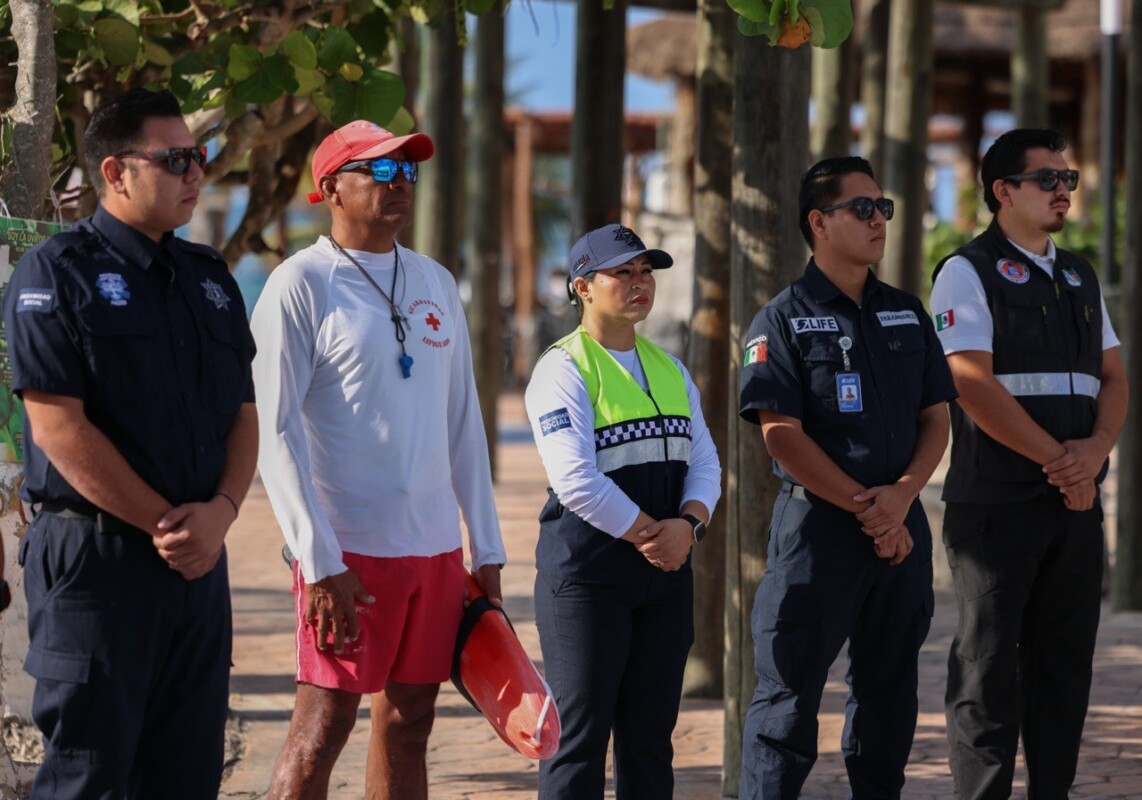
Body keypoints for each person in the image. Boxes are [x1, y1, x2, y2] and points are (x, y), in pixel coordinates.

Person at [1, 88, 258, 799]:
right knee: (91, 778)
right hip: (99, 563)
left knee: (186, 774)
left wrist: (223, 513)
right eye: (175, 158)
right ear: (115, 173)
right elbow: (59, 427)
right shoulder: (55, 273)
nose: (194, 172)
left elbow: (241, 415)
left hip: (199, 563)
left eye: (198, 156)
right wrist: (167, 525)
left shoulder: (208, 280)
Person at [250, 119, 507, 800]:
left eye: (408, 172)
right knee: (322, 726)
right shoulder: (299, 285)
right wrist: (318, 555)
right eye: (381, 171)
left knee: (410, 722)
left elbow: (463, 424)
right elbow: (271, 431)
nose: (401, 186)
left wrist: (484, 545)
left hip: (432, 553)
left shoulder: (436, 281)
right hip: (346, 555)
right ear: (331, 186)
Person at [738, 157, 958, 799]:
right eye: (861, 208)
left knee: (889, 699)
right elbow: (780, 435)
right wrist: (871, 510)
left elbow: (936, 417)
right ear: (819, 222)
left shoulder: (906, 312)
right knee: (787, 701)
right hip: (819, 533)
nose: (877, 220)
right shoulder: (779, 319)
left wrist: (904, 497)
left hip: (902, 526)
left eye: (882, 208)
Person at [930, 128, 1127, 800]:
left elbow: (1114, 375)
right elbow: (970, 382)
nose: (1063, 191)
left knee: (1064, 669)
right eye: (1048, 179)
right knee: (986, 669)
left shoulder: (1079, 272)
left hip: (1074, 506)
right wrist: (1061, 462)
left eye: (1067, 179)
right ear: (1003, 191)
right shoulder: (966, 270)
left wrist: (1095, 454)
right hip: (997, 504)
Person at [524, 223, 722, 799]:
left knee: (649, 741)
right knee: (577, 741)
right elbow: (574, 480)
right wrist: (651, 535)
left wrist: (689, 527)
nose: (639, 283)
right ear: (582, 286)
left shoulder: (671, 368)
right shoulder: (561, 368)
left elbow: (706, 462)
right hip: (588, 580)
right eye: (622, 273)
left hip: (664, 580)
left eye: (645, 272)